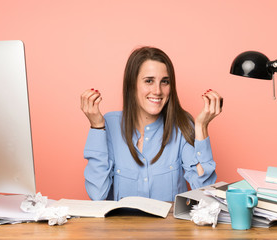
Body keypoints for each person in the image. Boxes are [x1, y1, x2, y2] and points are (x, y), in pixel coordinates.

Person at [80, 46, 223, 201]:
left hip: (170, 225)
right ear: (132, 84)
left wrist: (201, 127)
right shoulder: (109, 124)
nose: (157, 91)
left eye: (165, 82)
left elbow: (204, 191)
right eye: (149, 81)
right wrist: (97, 127)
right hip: (123, 225)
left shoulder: (182, 125)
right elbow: (97, 195)